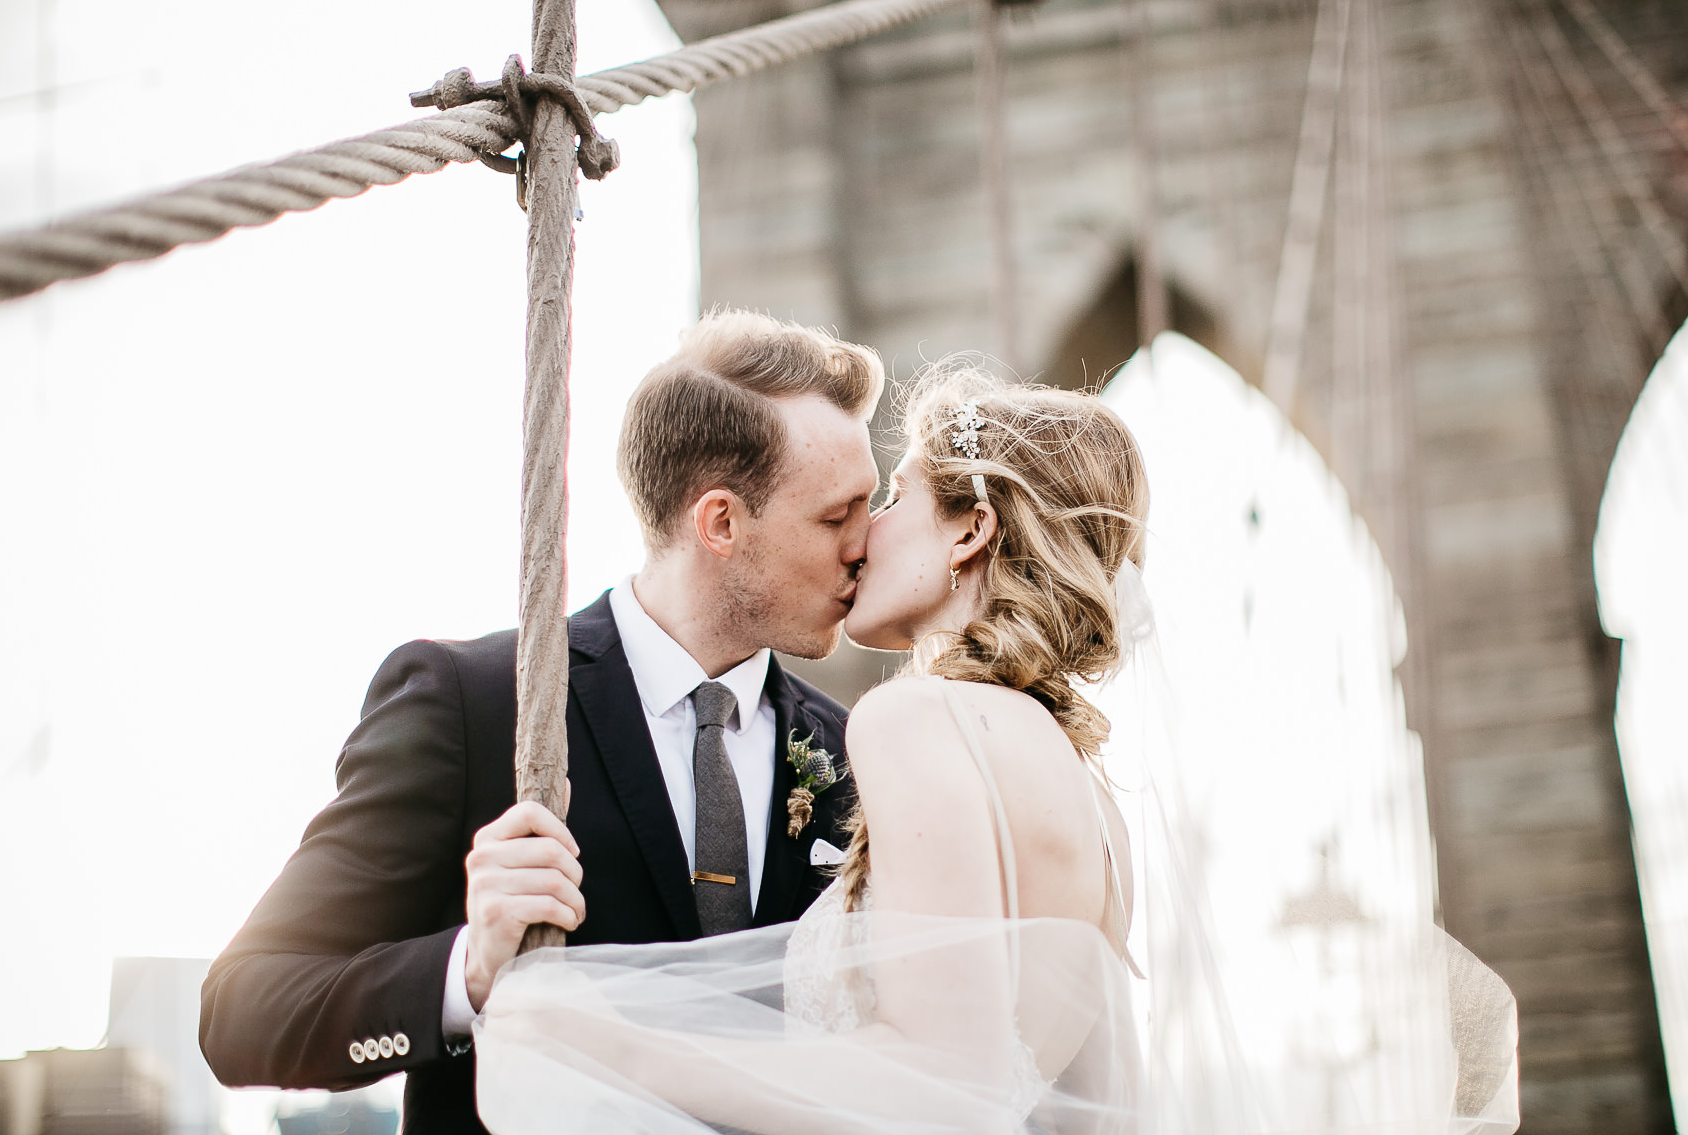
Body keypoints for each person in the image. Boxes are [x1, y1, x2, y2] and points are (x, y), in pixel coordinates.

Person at [198, 310, 886, 1135]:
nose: (866, 546)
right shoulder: (474, 702)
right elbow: (241, 1017)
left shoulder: (859, 757)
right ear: (721, 523)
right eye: (834, 516)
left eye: (870, 508)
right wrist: (470, 967)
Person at [471, 368, 1156, 1133]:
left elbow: (943, 1081)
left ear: (971, 530)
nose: (865, 538)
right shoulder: (1092, 799)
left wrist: (615, 1048)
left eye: (896, 498)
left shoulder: (917, 719)